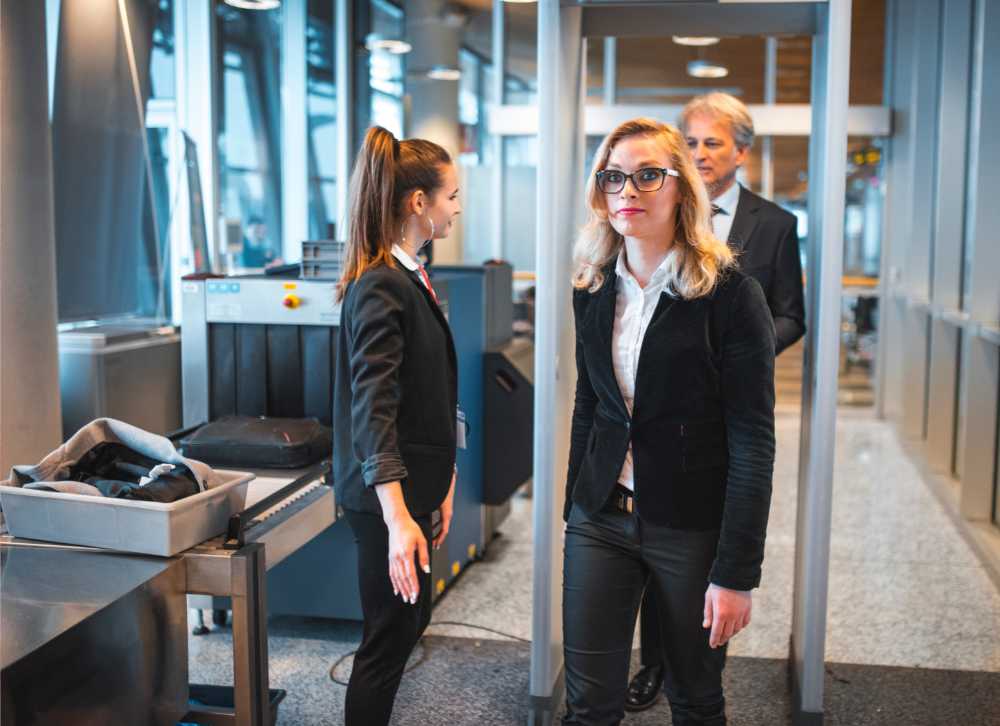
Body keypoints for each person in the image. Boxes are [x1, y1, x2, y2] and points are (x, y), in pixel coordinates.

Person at [562, 117, 776, 726]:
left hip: (692, 526)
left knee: (695, 698)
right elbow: (591, 404)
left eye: (647, 176)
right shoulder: (593, 286)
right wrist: (575, 506)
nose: (627, 191)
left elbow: (753, 441)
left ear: (681, 189)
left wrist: (737, 572)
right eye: (613, 178)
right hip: (602, 517)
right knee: (588, 705)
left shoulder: (731, 294)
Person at [625, 92, 806, 713]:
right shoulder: (659, 205)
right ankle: (652, 663)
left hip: (728, 405)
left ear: (742, 152)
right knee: (653, 534)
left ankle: (701, 668)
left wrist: (738, 353)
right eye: (693, 142)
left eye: (713, 143)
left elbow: (790, 315)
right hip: (658, 409)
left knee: (705, 537)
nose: (701, 153)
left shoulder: (775, 224)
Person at [332, 125, 462, 726]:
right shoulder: (381, 283)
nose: (456, 208)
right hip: (388, 501)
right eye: (451, 197)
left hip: (415, 491)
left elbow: (427, 392)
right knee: (386, 642)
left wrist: (446, 480)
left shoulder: (407, 276)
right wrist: (398, 515)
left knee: (411, 623)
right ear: (419, 203)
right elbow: (373, 405)